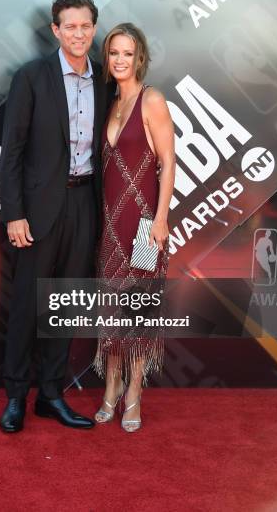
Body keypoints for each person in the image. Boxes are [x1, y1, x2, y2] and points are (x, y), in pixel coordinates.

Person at [0, 0, 111, 433]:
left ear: (94, 28)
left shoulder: (104, 80)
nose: (79, 34)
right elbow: (12, 152)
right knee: (29, 303)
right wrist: (15, 213)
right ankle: (15, 397)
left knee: (65, 304)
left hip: (85, 202)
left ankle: (50, 395)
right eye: (70, 27)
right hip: (39, 208)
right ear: (55, 30)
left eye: (85, 26)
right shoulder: (31, 77)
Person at [93, 23, 175, 432]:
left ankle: (134, 392)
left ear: (139, 56)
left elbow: (168, 162)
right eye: (113, 53)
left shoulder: (151, 100)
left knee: (138, 312)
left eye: (127, 53)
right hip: (111, 225)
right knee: (111, 311)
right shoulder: (110, 103)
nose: (120, 60)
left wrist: (160, 219)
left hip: (144, 225)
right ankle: (111, 386)